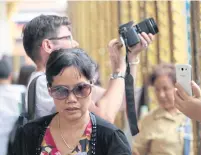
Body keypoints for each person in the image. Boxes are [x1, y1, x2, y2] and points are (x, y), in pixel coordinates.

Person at [22, 14, 154, 122]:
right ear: (48, 46)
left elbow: (122, 101)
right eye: (68, 38)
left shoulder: (59, 80)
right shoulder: (43, 82)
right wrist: (119, 70)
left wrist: (130, 59)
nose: (75, 44)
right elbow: (105, 118)